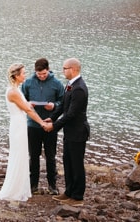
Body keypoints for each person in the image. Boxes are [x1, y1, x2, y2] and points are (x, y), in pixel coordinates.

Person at [0, 63, 51, 202]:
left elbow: (24, 106)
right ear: (17, 76)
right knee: (18, 155)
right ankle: (14, 190)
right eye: (23, 73)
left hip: (20, 124)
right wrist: (42, 123)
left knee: (22, 155)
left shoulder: (16, 89)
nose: (25, 75)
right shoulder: (13, 92)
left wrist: (29, 103)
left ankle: (20, 187)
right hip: (18, 126)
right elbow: (28, 110)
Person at [47, 57, 89, 205]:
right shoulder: (70, 85)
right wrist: (51, 118)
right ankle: (69, 192)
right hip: (69, 132)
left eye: (65, 68)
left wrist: (54, 127)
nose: (63, 71)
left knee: (77, 164)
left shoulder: (79, 88)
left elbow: (71, 114)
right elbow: (63, 106)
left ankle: (77, 197)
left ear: (73, 69)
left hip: (78, 132)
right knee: (67, 162)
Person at [20, 58, 63, 194]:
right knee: (34, 156)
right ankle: (33, 186)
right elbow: (22, 100)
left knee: (50, 156)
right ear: (35, 71)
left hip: (50, 124)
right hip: (32, 125)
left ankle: (52, 186)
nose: (42, 76)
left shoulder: (57, 83)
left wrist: (53, 105)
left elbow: (63, 102)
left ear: (48, 70)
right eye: (39, 74)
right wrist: (29, 104)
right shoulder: (28, 83)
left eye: (44, 74)